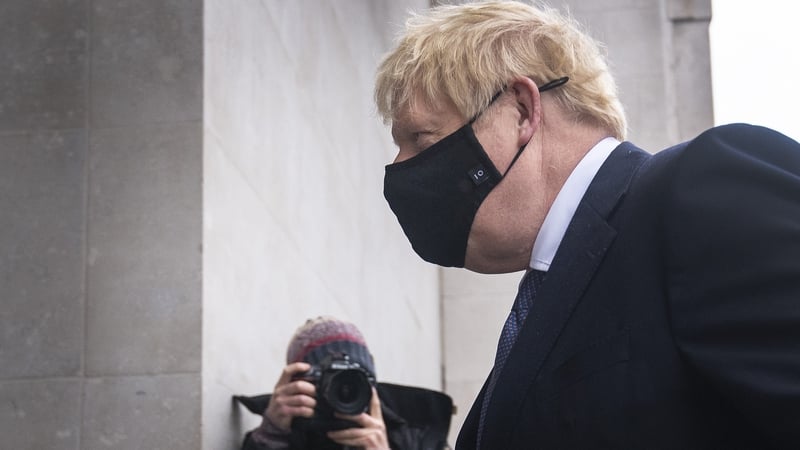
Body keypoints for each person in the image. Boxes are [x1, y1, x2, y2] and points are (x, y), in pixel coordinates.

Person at [373, 1, 800, 449]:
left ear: (521, 111)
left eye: (421, 138)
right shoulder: (539, 304)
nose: (400, 166)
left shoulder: (702, 189)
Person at [237, 316, 454, 450]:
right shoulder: (287, 430)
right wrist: (271, 436)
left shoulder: (419, 438)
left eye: (352, 378)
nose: (341, 391)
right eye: (323, 378)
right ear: (300, 381)